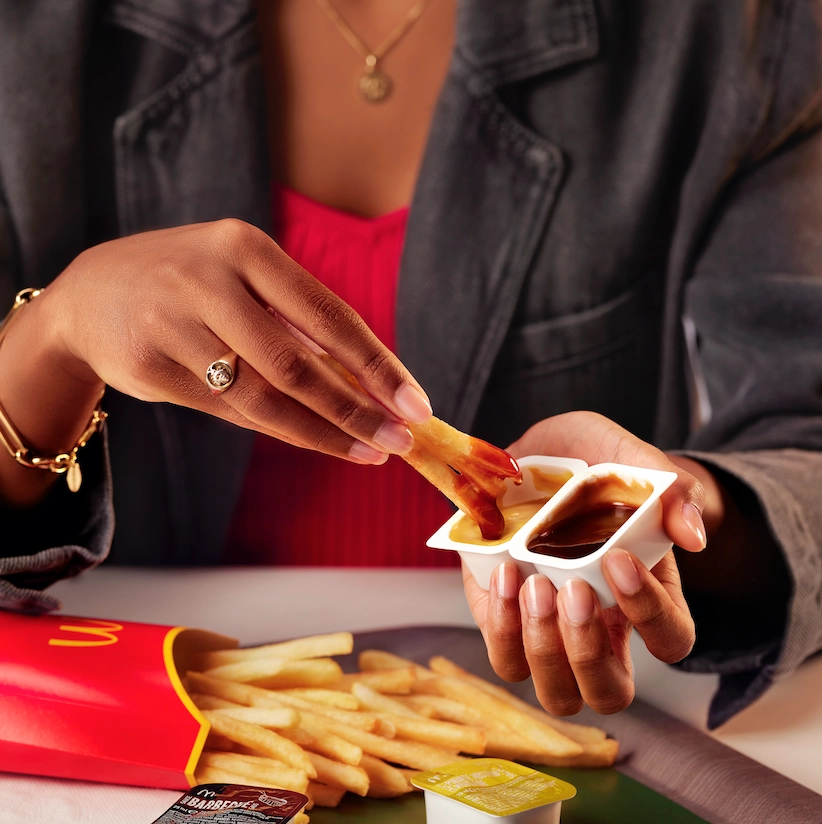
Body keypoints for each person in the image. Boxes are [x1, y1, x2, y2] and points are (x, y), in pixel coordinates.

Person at [0, 0, 820, 731]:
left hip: (542, 725)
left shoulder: (738, 29)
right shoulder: (30, 36)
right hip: (119, 726)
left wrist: (663, 510)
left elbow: (807, 441)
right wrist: (52, 342)